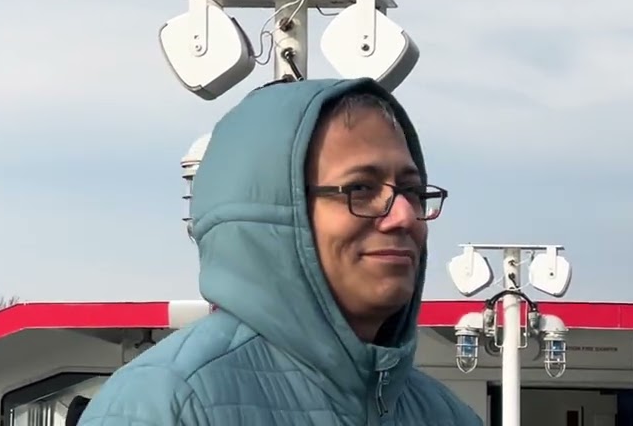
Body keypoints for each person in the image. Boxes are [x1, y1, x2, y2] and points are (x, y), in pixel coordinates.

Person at [78, 78, 482, 425]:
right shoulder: (166, 405)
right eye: (360, 188)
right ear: (275, 216)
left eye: (411, 191)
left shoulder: (444, 414)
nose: (404, 217)